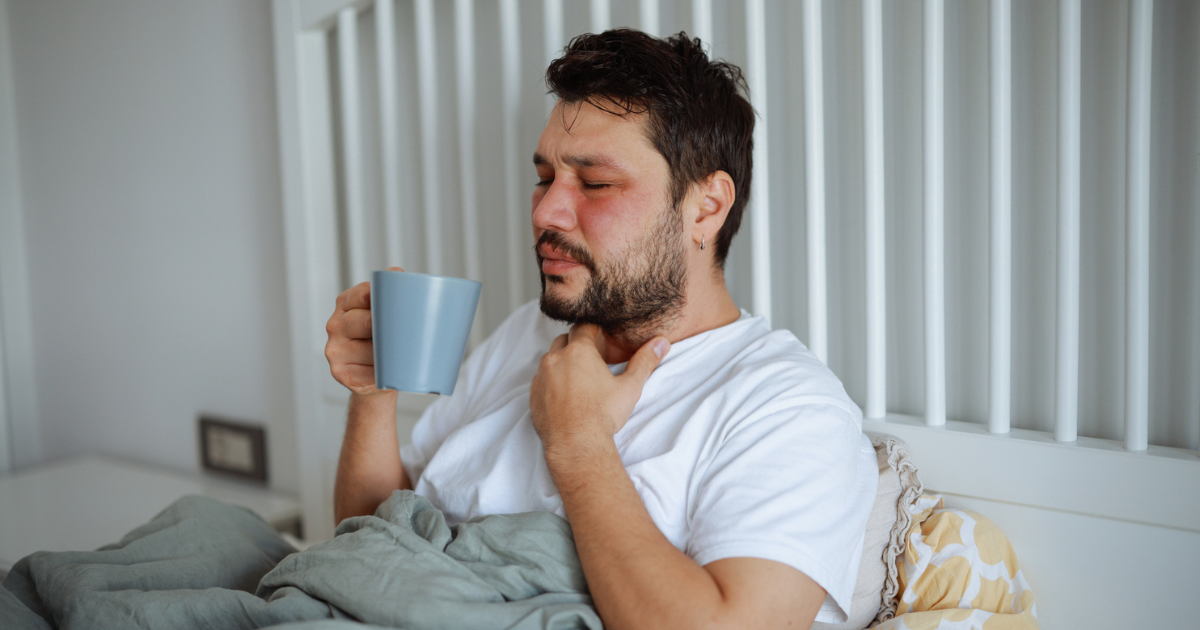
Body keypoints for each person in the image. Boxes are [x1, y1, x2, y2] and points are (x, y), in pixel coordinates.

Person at [323, 29, 877, 630]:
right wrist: (372, 400)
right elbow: (369, 549)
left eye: (595, 184)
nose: (544, 213)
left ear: (706, 207)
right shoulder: (526, 335)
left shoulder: (789, 409)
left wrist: (579, 442)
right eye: (544, 177)